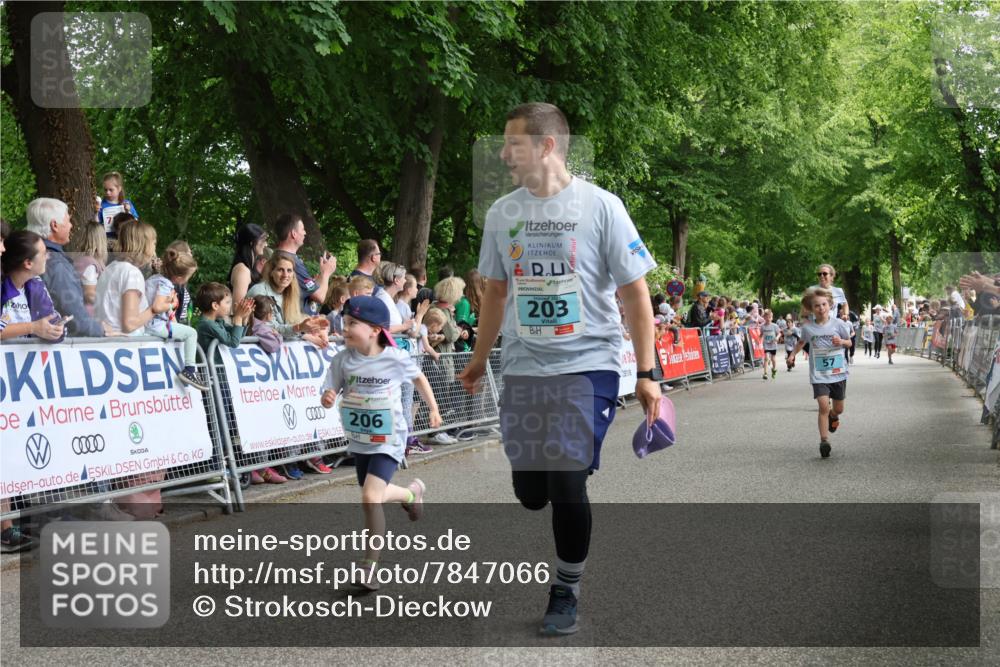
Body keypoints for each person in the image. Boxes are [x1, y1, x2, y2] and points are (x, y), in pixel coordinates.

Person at [457, 102, 660, 635]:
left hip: (588, 365)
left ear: (546, 147)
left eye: (513, 144)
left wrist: (647, 371)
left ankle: (566, 589)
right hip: (525, 367)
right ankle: (543, 485)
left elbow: (635, 294)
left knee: (568, 482)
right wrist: (480, 359)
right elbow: (497, 291)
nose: (502, 154)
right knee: (532, 494)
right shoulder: (503, 213)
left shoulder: (601, 207)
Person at [319, 295, 442, 588]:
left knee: (370, 498)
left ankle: (368, 566)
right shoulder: (343, 359)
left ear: (375, 329)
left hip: (390, 438)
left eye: (352, 323)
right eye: (344, 322)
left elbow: (419, 379)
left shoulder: (394, 357)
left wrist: (434, 408)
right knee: (374, 495)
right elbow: (330, 388)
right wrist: (327, 397)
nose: (344, 328)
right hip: (360, 439)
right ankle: (411, 494)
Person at [26, 198, 109, 337]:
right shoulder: (55, 264)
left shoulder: (24, 256)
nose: (71, 225)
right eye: (68, 220)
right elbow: (73, 316)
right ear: (54, 225)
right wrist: (102, 330)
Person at [789, 287, 853, 459]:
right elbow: (801, 342)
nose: (821, 308)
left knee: (838, 409)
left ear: (830, 305)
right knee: (823, 406)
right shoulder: (809, 328)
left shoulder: (839, 324)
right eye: (817, 306)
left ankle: (834, 416)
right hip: (819, 374)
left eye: (824, 304)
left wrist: (841, 341)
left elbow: (849, 343)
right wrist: (792, 354)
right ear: (811, 309)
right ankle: (824, 441)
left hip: (838, 373)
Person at [144, 245, 207, 390]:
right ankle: (190, 370)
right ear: (179, 278)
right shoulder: (165, 284)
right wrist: (171, 303)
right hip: (155, 325)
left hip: (150, 323)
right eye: (187, 278)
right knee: (192, 333)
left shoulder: (156, 278)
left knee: (184, 331)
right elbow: (157, 307)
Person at [95, 221, 171, 337]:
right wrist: (154, 310)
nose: (154, 249)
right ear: (144, 245)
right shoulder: (132, 273)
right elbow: (129, 324)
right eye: (154, 243)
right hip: (128, 344)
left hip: (108, 341)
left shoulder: (110, 268)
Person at [247, 251, 330, 347]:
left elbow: (292, 323)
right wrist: (301, 331)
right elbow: (271, 329)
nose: (285, 275)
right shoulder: (259, 292)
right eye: (280, 270)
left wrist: (318, 328)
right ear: (271, 273)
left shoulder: (290, 293)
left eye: (289, 270)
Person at [0, 230, 66, 342]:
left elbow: (50, 318)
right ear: (28, 263)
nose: (48, 257)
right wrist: (33, 327)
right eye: (44, 253)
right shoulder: (3, 286)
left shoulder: (35, 284)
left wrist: (56, 329)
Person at [273, 213, 336, 316]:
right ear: (294, 233)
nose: (305, 233)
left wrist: (322, 273)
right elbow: (319, 296)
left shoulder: (281, 256)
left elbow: (311, 290)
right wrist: (326, 273)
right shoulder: (289, 261)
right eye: (302, 229)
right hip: (296, 325)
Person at [72, 221, 108, 315]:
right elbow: (90, 296)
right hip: (90, 315)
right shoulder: (89, 264)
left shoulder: (89, 260)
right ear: (101, 239)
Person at [229, 223, 268, 305]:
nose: (266, 244)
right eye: (263, 241)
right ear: (252, 242)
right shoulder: (242, 270)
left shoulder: (250, 267)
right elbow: (238, 307)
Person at [99, 171, 140, 238]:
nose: (108, 193)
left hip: (125, 240)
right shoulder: (101, 205)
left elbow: (136, 223)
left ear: (119, 189)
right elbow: (96, 225)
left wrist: (128, 211)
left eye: (111, 190)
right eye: (105, 190)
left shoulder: (127, 203)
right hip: (107, 240)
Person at [760, 308, 781, 380]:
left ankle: (774, 369)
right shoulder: (762, 326)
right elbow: (761, 334)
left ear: (772, 318)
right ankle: (765, 373)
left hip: (773, 344)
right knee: (766, 358)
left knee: (773, 359)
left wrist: (777, 338)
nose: (768, 319)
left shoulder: (774, 326)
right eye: (767, 317)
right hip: (766, 344)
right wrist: (758, 341)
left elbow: (779, 333)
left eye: (770, 317)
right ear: (764, 317)